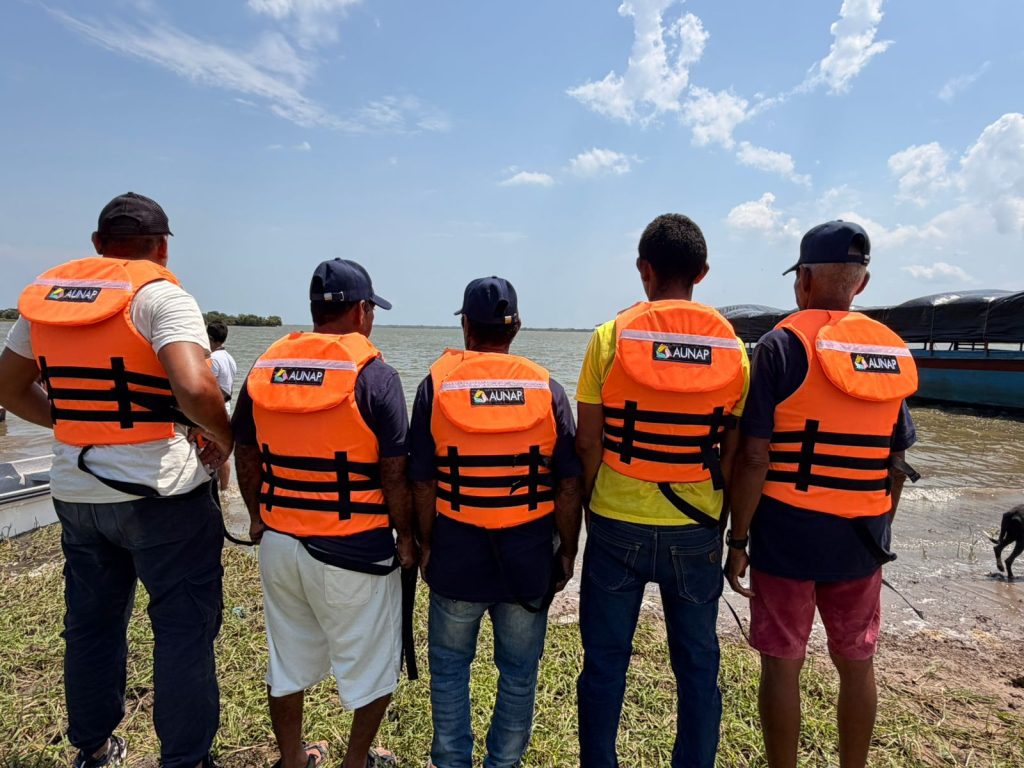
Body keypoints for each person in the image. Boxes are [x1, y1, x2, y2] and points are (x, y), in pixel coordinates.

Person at [0, 192, 232, 768]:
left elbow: (7, 387)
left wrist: (75, 419)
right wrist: (226, 437)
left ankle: (95, 747)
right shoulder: (160, 296)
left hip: (77, 493)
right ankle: (185, 759)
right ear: (162, 247)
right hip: (161, 496)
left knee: (92, 624)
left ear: (98, 245)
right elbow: (195, 386)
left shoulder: (47, 302)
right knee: (182, 628)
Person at [725, 221, 918, 768]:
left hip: (787, 534)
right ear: (862, 283)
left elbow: (754, 457)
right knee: (857, 662)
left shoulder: (781, 345)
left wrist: (738, 538)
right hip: (861, 538)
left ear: (803, 279)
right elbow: (896, 460)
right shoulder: (891, 352)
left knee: (782, 663)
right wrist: (880, 525)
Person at [575, 213, 750, 768]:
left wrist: (581, 515)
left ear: (643, 270)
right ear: (702, 272)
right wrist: (738, 537)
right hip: (696, 533)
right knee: (698, 665)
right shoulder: (735, 353)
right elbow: (738, 455)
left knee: (604, 664)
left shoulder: (609, 338)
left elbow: (587, 445)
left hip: (614, 526)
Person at [232, 259, 416, 768]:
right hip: (353, 547)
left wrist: (256, 516)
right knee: (373, 666)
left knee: (286, 661)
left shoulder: (265, 367)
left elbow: (243, 450)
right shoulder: (375, 376)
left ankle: (293, 759)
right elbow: (395, 471)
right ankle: (356, 762)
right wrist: (406, 540)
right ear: (362, 312)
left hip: (280, 543)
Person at [409, 277, 582, 768]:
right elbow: (568, 483)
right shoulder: (545, 386)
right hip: (528, 561)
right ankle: (503, 763)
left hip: (456, 560)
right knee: (519, 674)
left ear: (465, 325)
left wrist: (424, 543)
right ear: (517, 327)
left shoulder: (436, 385)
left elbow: (422, 481)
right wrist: (567, 549)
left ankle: (451, 762)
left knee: (448, 670)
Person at [207, 320, 237, 490]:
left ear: (209, 338)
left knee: (208, 452)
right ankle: (225, 489)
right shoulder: (229, 358)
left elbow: (206, 390)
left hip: (213, 413)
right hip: (226, 410)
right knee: (221, 452)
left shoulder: (212, 359)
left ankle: (213, 488)